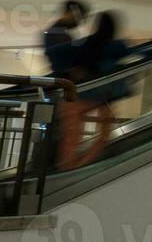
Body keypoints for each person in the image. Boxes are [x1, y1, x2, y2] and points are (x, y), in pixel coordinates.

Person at [51, 11, 134, 170]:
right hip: (102, 98)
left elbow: (55, 53)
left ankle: (66, 167)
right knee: (104, 135)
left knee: (71, 136)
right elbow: (144, 53)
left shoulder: (85, 43)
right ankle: (81, 165)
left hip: (75, 96)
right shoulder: (116, 46)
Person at [43, 0, 89, 75]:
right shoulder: (57, 34)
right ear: (70, 13)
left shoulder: (58, 32)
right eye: (80, 17)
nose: (81, 22)